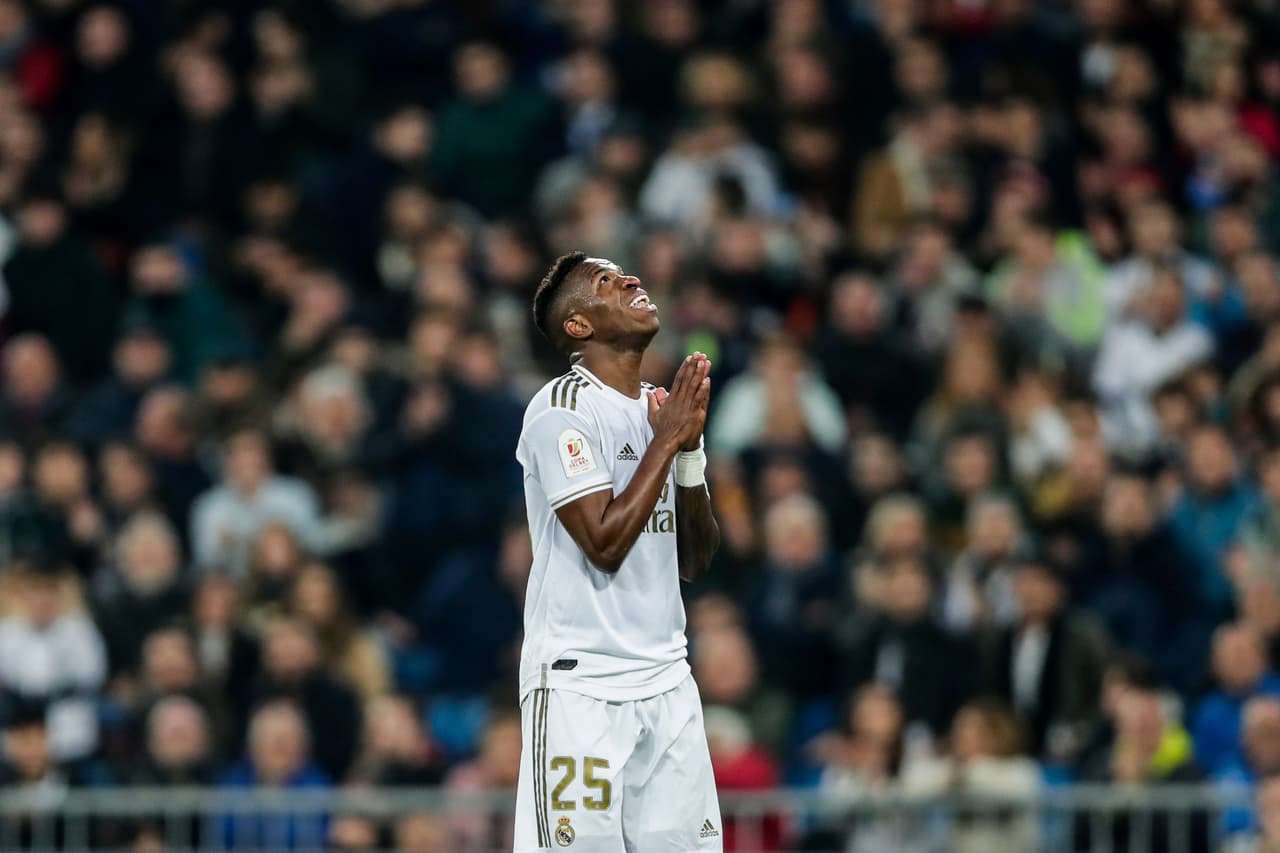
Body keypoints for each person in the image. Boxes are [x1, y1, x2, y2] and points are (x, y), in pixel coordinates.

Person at [514, 251, 721, 851]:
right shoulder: (559, 411)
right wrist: (667, 442)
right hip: (583, 687)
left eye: (625, 272)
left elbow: (696, 561)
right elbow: (604, 542)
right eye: (605, 281)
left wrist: (687, 455)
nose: (630, 279)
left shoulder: (662, 411)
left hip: (667, 680)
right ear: (579, 326)